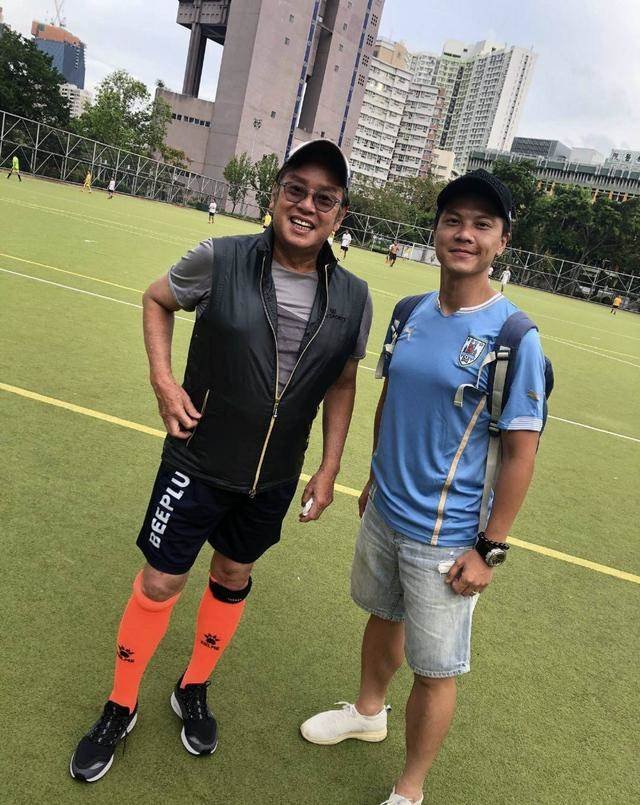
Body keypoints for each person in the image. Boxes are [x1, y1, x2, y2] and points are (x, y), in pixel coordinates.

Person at [69, 138, 373, 783]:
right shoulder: (221, 258)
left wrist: (329, 466)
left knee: (233, 574)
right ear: (275, 195)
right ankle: (120, 705)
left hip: (273, 476)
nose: (307, 206)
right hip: (198, 460)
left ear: (340, 215)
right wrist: (163, 382)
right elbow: (156, 299)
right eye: (296, 190)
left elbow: (342, 381)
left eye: (324, 198)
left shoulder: (354, 297)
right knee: (161, 583)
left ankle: (193, 687)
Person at [300, 169, 546, 805]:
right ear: (436, 230)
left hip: (448, 535)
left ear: (502, 242)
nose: (464, 234)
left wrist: (489, 548)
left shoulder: (514, 336)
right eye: (453, 221)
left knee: (435, 671)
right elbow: (391, 399)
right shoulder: (409, 311)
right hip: (386, 510)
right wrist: (374, 475)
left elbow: (522, 453)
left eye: (482, 225)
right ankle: (368, 712)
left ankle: (409, 791)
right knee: (382, 615)